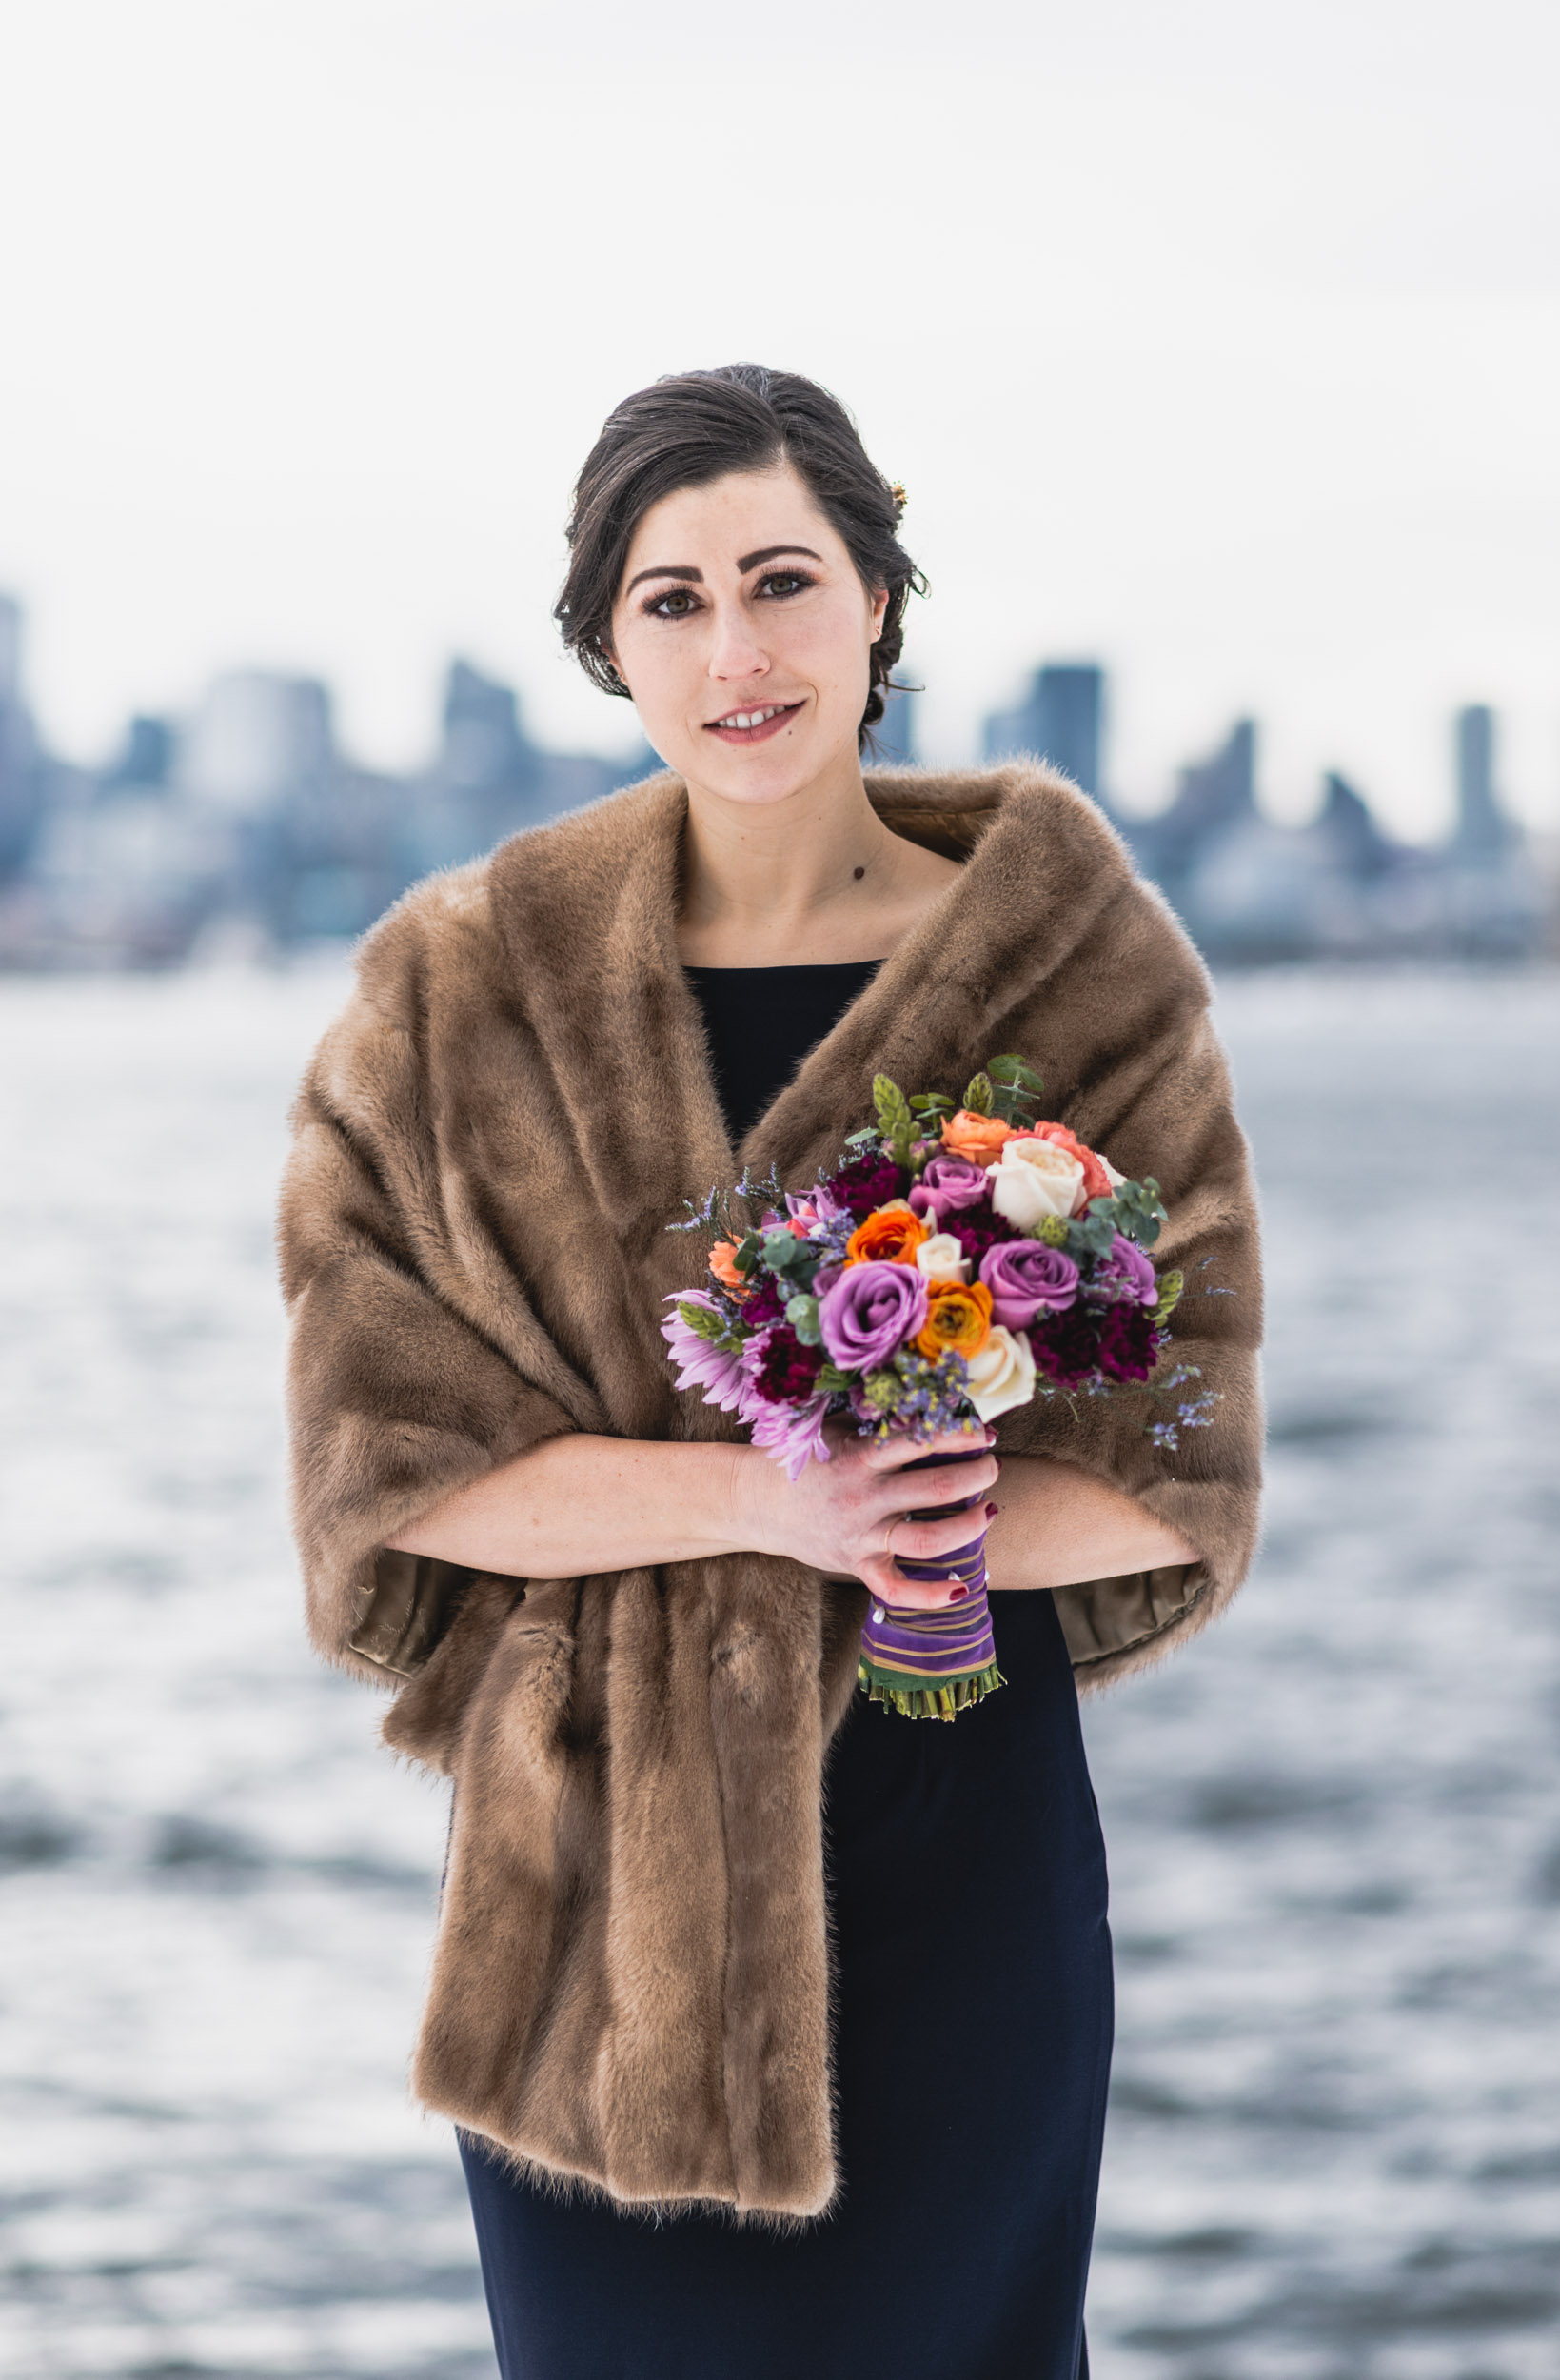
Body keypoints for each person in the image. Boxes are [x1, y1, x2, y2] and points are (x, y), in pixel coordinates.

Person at [278, 364, 1263, 2380]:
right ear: (603, 640)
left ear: (879, 600)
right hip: (592, 1876)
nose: (737, 651)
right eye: (669, 598)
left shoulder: (1082, 965)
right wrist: (767, 1494)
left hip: (954, 1823)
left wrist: (926, 1533)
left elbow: (1183, 1450)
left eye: (785, 578)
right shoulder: (455, 992)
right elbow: (374, 1467)